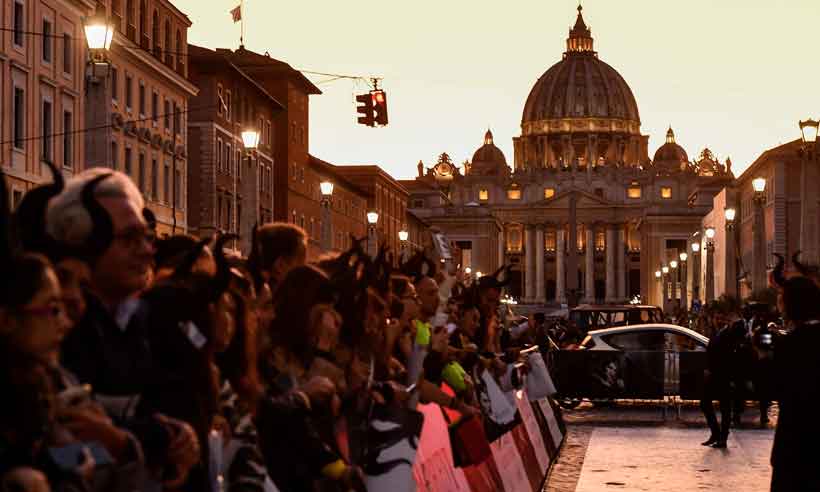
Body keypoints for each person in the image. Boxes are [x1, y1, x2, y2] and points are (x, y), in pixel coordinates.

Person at [46, 169, 200, 488]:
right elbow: (74, 442)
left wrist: (181, 438)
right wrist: (139, 442)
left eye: (147, 237)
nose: (147, 250)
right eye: (130, 238)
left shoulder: (151, 321)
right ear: (84, 240)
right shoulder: (57, 333)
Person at [770, 276, 820, 491]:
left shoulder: (791, 343)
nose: (778, 303)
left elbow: (775, 389)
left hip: (795, 440)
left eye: (781, 297)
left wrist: (764, 359)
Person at [699, 308, 747, 448]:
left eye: (721, 318)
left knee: (725, 408)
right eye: (716, 318)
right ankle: (716, 433)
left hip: (724, 375)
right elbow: (712, 352)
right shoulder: (716, 333)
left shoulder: (730, 333)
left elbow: (740, 331)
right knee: (705, 403)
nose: (718, 321)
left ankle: (722, 438)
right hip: (714, 375)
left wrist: (736, 319)